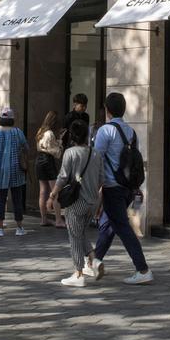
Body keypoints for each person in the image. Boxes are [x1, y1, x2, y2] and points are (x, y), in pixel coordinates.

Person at [91, 92, 153, 284]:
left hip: (112, 187)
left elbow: (96, 159)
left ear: (107, 110)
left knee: (122, 227)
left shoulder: (105, 131)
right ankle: (94, 261)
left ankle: (142, 269)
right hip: (127, 188)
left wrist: (94, 185)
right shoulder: (131, 132)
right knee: (108, 225)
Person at [48, 118, 103, 287]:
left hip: (76, 201)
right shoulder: (96, 153)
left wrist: (52, 195)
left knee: (74, 236)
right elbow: (102, 179)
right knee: (80, 233)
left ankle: (78, 273)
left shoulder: (70, 153)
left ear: (72, 136)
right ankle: (94, 260)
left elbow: (63, 177)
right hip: (93, 201)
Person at [0, 107, 28, 237]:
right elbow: (26, 147)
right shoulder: (18, 132)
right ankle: (19, 227)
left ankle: (0, 228)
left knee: (1, 198)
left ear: (0, 119)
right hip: (16, 169)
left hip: (0, 170)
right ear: (12, 120)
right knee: (17, 199)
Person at [35, 110, 62, 228]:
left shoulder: (40, 131)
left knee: (43, 191)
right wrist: (60, 141)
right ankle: (58, 220)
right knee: (55, 191)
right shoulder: (50, 134)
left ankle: (44, 219)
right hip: (48, 161)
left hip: (39, 160)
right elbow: (56, 152)